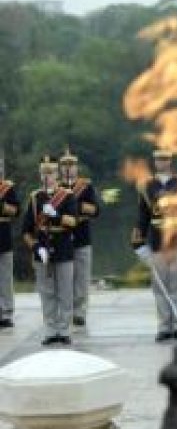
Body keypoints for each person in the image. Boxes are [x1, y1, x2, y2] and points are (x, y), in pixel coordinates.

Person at [131, 149, 177, 342]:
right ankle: (163, 326)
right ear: (154, 161)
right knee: (160, 289)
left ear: (171, 161)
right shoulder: (147, 185)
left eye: (166, 159)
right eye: (159, 159)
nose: (162, 162)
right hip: (157, 242)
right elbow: (143, 216)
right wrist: (138, 243)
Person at [23, 155, 77, 345]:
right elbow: (26, 231)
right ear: (40, 175)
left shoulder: (68, 196)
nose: (48, 177)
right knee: (46, 293)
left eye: (51, 172)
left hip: (63, 248)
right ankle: (50, 330)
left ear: (57, 174)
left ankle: (64, 330)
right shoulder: (35, 198)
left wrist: (56, 215)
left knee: (65, 292)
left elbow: (73, 222)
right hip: (43, 250)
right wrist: (36, 247)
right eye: (44, 173)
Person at [59, 148, 101, 327]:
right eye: (65, 165)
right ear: (60, 168)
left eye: (72, 165)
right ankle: (66, 311)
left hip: (82, 236)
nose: (68, 168)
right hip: (62, 238)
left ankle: (79, 312)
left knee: (82, 278)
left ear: (76, 167)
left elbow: (96, 210)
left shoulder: (86, 186)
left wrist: (79, 206)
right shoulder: (56, 188)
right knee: (64, 279)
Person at [0, 154, 19, 328]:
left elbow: (16, 210)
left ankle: (6, 313)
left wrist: (2, 206)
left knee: (5, 277)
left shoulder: (7, 188)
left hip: (3, 236)